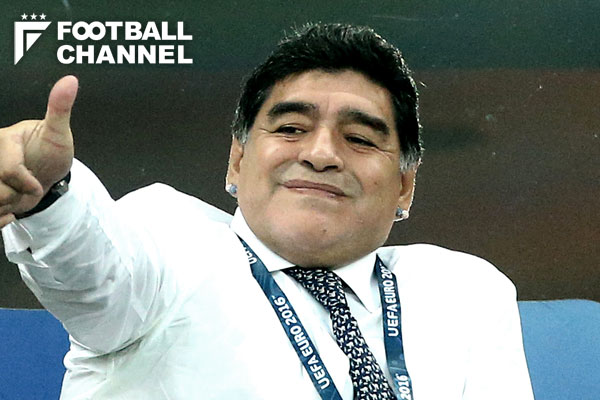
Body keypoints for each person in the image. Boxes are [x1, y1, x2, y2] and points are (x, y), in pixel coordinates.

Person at [0, 23, 534, 399]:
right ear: (237, 160)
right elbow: (94, 267)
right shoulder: (170, 242)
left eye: (359, 138)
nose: (321, 154)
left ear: (404, 186)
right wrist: (51, 196)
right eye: (291, 128)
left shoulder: (465, 293)